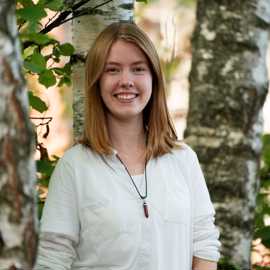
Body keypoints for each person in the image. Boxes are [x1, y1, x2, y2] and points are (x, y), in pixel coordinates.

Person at [35, 21, 220, 270]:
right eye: (112, 70)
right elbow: (52, 259)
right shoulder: (75, 167)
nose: (126, 81)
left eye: (138, 69)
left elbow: (205, 246)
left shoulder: (183, 160)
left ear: (153, 78)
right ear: (97, 81)